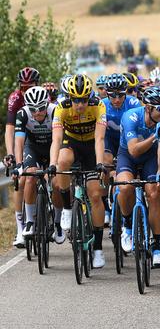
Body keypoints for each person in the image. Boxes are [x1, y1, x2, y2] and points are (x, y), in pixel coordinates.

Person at [49, 74, 108, 268]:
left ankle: (98, 249)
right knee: (62, 161)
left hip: (92, 146)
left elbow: (100, 139)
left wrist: (99, 164)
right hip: (72, 142)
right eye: (76, 100)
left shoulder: (98, 105)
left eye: (83, 100)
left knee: (96, 195)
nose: (80, 104)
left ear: (89, 97)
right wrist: (51, 164)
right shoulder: (62, 107)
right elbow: (56, 140)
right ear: (69, 98)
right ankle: (66, 208)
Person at [116, 86, 160, 268]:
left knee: (154, 193)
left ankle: (156, 245)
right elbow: (133, 149)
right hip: (128, 155)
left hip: (150, 157)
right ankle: (127, 225)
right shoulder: (131, 117)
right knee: (125, 187)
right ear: (148, 108)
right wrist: (154, 136)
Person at [12, 86, 64, 244]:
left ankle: (57, 223)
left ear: (47, 104)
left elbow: (57, 139)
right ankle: (30, 222)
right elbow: (19, 141)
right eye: (33, 109)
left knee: (56, 184)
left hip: (52, 147)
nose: (38, 112)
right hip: (32, 148)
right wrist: (19, 164)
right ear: (28, 107)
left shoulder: (55, 111)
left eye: (41, 108)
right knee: (30, 177)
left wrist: (54, 163)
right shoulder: (22, 113)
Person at [5, 67, 40, 248]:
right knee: (21, 179)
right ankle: (20, 229)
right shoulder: (16, 98)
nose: (26, 91)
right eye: (23, 87)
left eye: (30, 86)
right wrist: (11, 154)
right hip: (23, 138)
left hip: (42, 137)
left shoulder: (42, 97)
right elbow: (10, 129)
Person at [102, 73, 142, 225]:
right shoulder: (102, 105)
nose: (117, 100)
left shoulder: (134, 103)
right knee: (105, 163)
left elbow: (140, 129)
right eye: (113, 96)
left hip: (128, 139)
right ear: (107, 94)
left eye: (120, 95)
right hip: (110, 139)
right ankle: (105, 204)